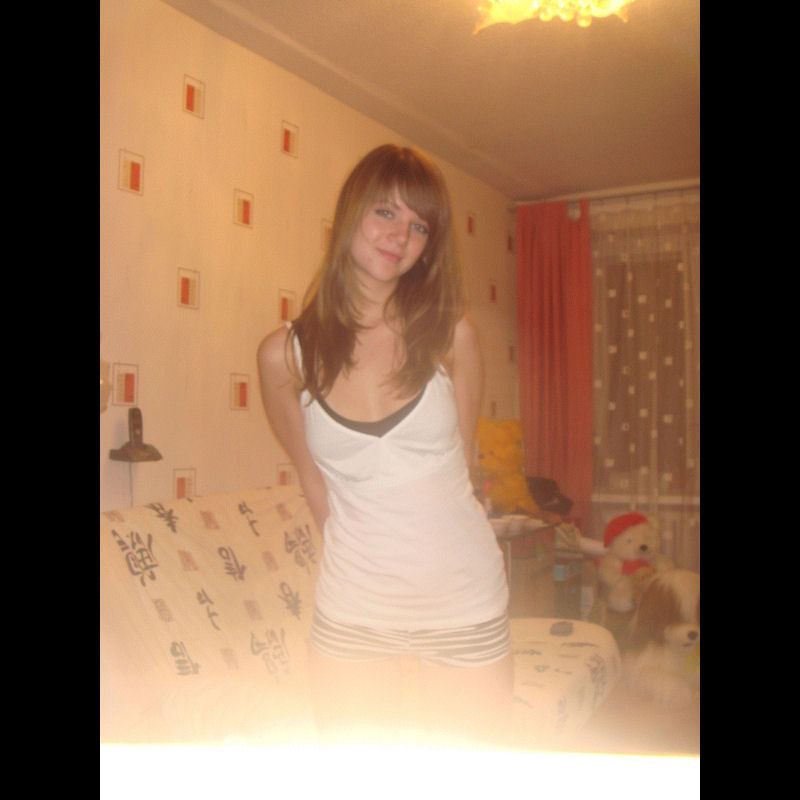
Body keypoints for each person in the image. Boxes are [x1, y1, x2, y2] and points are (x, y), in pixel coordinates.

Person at [257, 144, 512, 747]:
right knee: (353, 775)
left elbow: (461, 467)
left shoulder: (453, 337)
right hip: (354, 606)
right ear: (351, 213)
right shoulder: (284, 356)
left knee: (472, 776)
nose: (401, 235)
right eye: (386, 212)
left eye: (419, 226)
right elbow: (312, 481)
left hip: (462, 599)